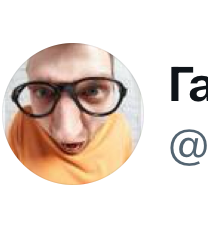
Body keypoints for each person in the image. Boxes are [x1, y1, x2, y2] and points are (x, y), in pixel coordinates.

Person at [7, 42, 133, 184]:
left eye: (92, 91)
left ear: (114, 90)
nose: (67, 134)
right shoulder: (22, 124)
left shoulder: (120, 126)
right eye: (43, 92)